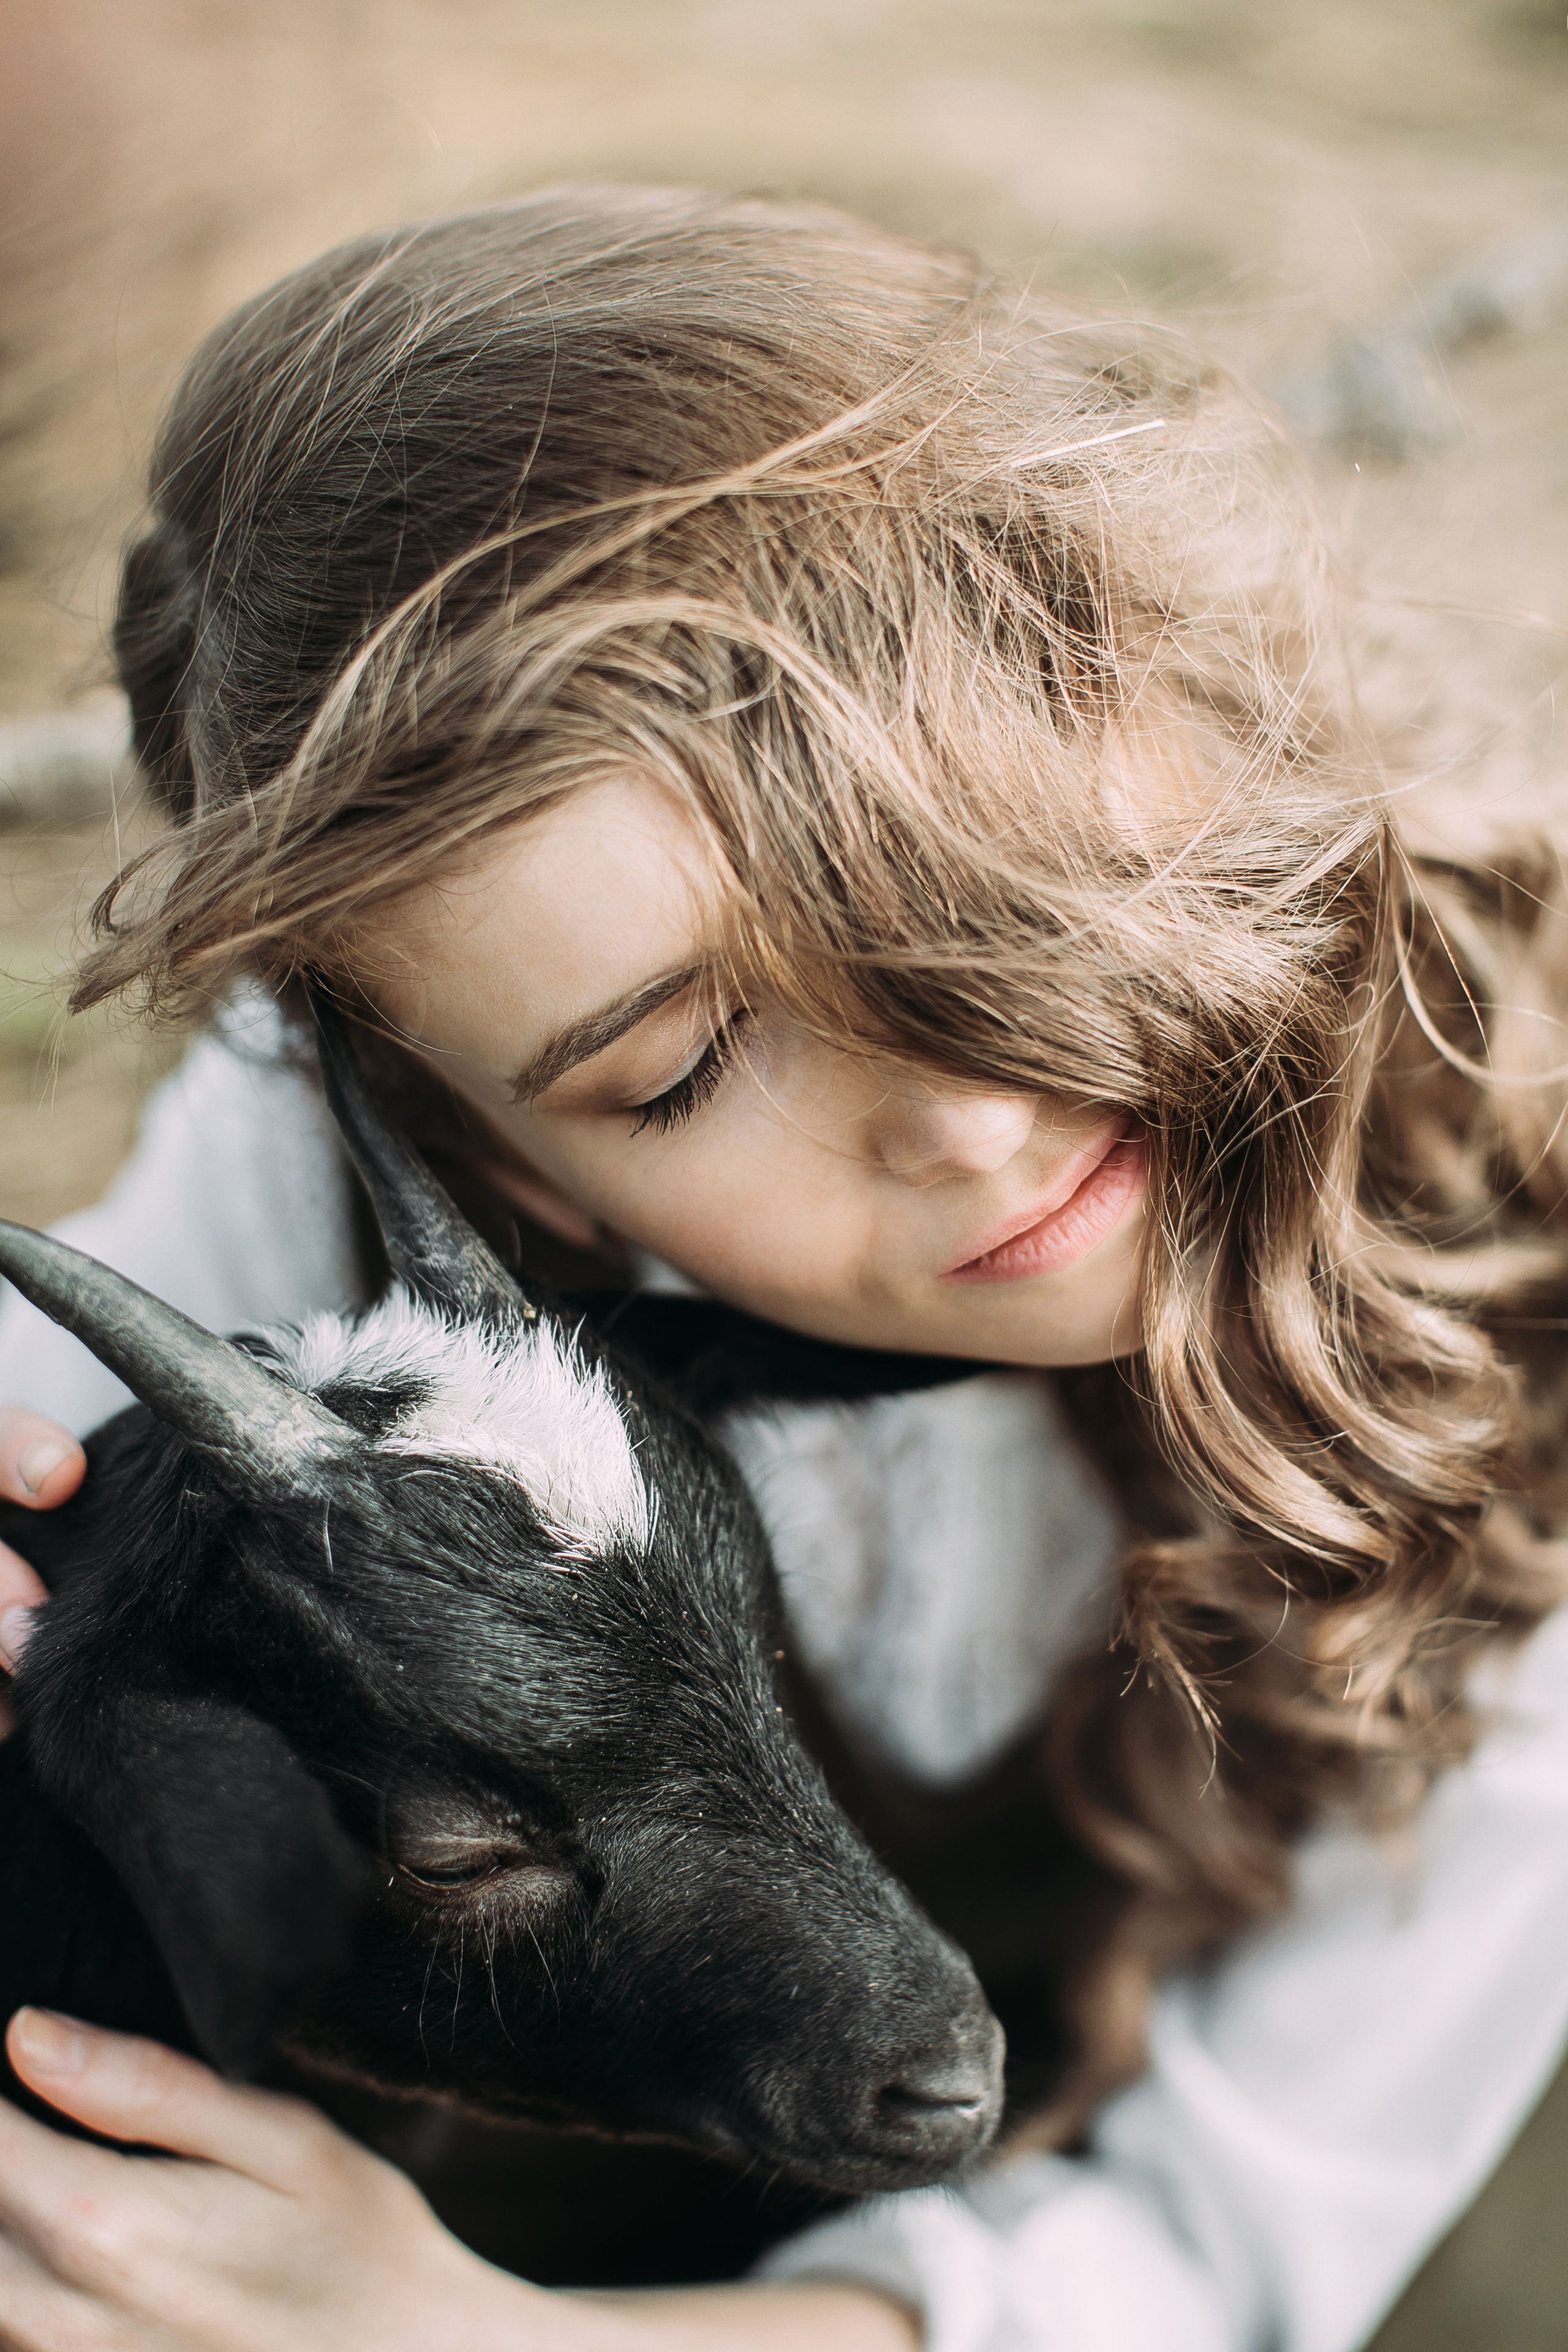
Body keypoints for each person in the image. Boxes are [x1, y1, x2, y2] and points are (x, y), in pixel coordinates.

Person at [2, 183, 1567, 2352]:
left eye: (977, 863)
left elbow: (1219, 2246)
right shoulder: (352, 1176)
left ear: (1164, 674)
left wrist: (491, 2350)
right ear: (493, 1153)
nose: (967, 1112)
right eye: (684, 1066)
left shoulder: (1535, 1275)